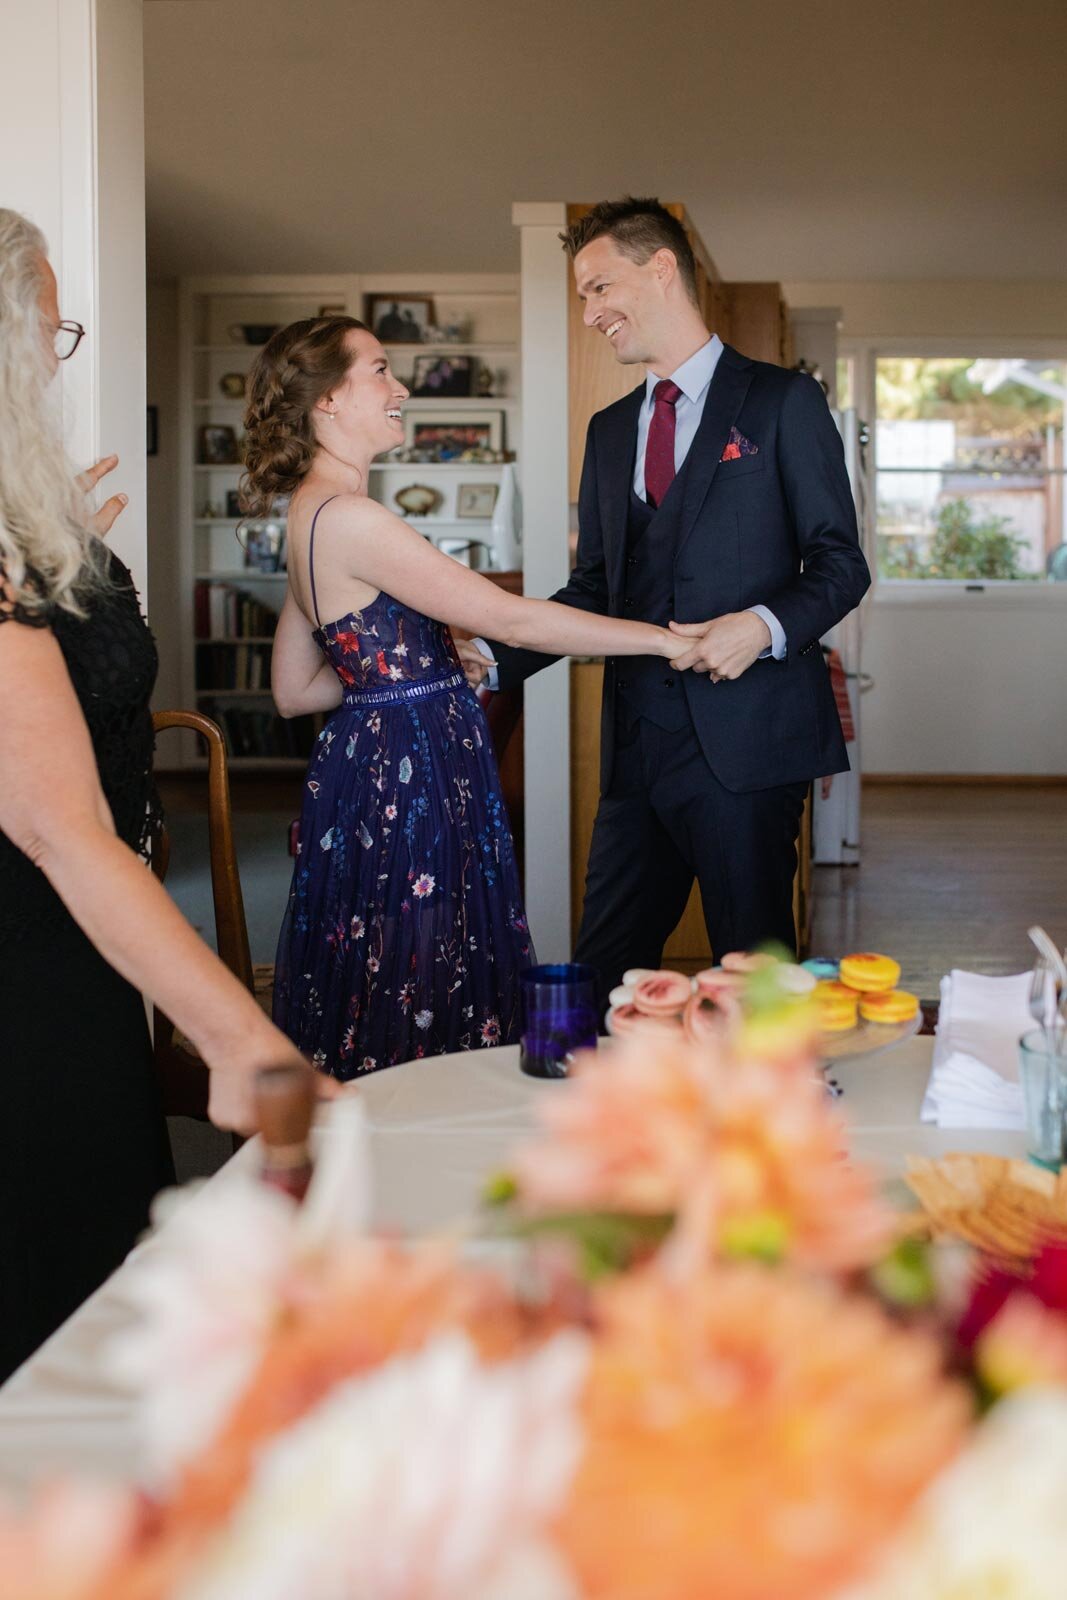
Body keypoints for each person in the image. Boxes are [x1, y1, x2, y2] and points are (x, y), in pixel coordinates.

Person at [0, 209, 322, 1380]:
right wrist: (245, 1038)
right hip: (26, 969)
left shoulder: (25, 528)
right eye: (51, 323)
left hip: (79, 956)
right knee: (56, 1295)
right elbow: (59, 826)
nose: (56, 352)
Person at [243, 315, 684, 1077]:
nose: (400, 388)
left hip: (364, 764)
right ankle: (426, 1128)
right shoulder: (353, 518)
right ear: (326, 402)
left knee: (386, 961)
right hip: (412, 771)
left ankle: (380, 1129)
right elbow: (509, 616)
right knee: (426, 961)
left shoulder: (305, 517)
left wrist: (423, 668)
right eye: (379, 370)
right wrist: (668, 639)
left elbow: (294, 689)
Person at [460, 197, 870, 1007]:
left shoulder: (781, 402)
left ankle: (765, 1129)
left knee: (755, 987)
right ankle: (602, 1129)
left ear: (660, 269)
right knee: (602, 975)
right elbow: (594, 590)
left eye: (598, 287)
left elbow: (840, 564)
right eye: (581, 297)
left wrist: (761, 626)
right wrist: (488, 659)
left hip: (750, 747)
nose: (588, 314)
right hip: (636, 749)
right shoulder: (609, 430)